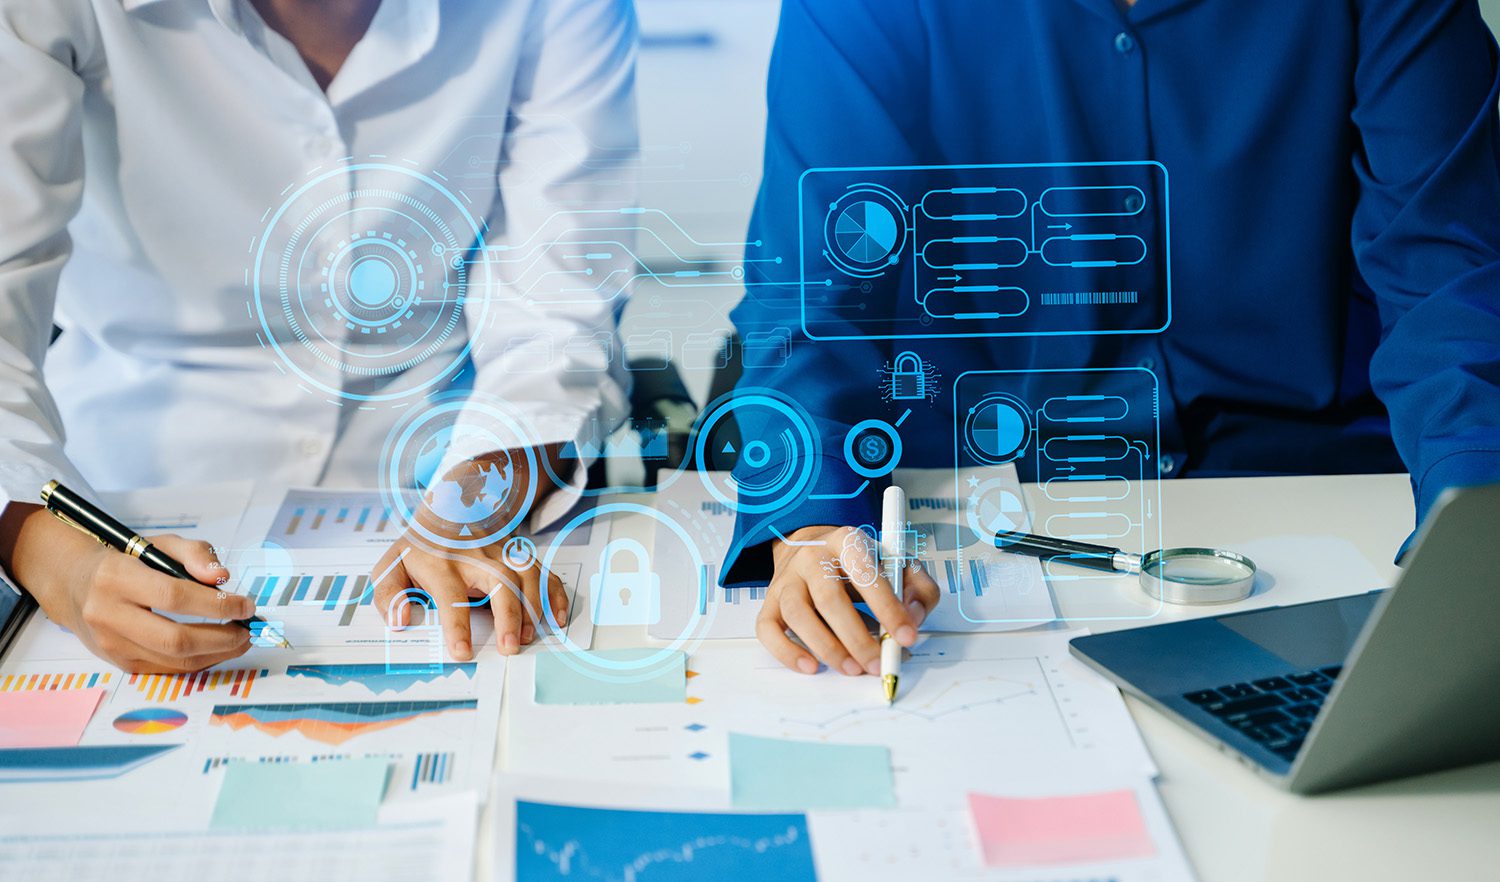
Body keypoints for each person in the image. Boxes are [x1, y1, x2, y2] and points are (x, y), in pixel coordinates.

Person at [725, 0, 1500, 676]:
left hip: (1322, 497)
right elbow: (812, 289)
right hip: (997, 510)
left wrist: (1473, 517)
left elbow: (1447, 266)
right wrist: (816, 515)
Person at [0, 0, 639, 672]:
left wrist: (473, 502)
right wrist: (60, 562)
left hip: (449, 458)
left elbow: (555, 304)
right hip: (124, 489)